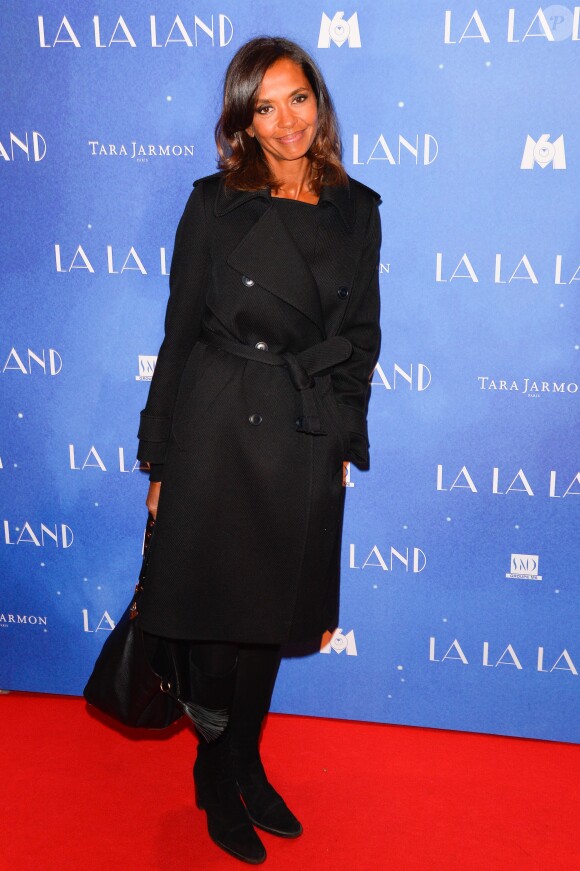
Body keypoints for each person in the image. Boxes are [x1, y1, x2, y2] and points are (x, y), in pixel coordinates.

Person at [136, 36, 381, 865]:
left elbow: (360, 339)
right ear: (241, 120)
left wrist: (344, 434)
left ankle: (247, 755)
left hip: (304, 427)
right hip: (215, 425)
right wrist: (159, 461)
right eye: (264, 106)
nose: (286, 122)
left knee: (271, 616)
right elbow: (175, 339)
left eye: (298, 99)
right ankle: (214, 770)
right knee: (215, 616)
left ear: (320, 100)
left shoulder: (359, 209)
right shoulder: (213, 206)